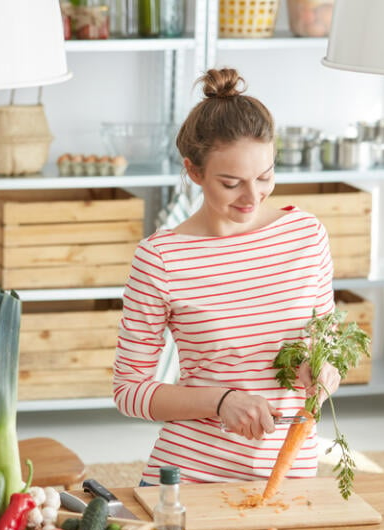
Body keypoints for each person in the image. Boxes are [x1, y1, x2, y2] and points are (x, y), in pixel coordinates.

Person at [112, 67, 341, 485]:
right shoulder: (161, 258)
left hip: (290, 472)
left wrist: (324, 370)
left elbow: (325, 341)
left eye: (265, 177)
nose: (252, 197)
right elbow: (129, 391)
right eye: (232, 183)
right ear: (194, 172)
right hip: (192, 478)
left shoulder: (307, 235)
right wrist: (221, 401)